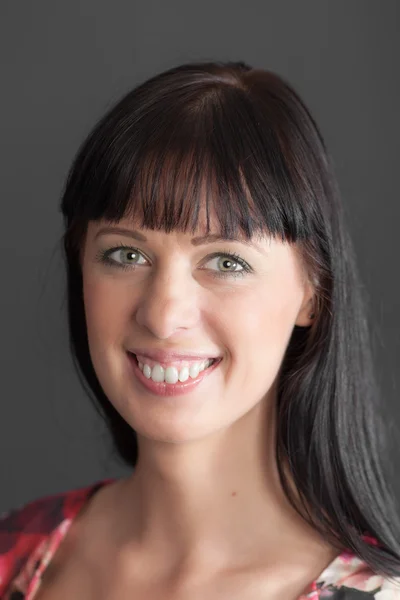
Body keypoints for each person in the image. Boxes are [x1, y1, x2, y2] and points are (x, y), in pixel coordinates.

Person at [1, 60, 399, 600]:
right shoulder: (15, 552)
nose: (163, 315)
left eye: (227, 262)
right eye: (125, 253)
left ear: (313, 293)